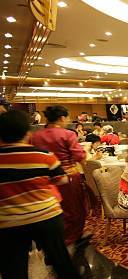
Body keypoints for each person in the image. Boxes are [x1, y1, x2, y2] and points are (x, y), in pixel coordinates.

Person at [0, 110, 80, 279]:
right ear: (27, 133)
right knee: (59, 255)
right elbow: (60, 180)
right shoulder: (42, 155)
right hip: (46, 216)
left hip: (8, 222)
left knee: (13, 273)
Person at [31, 105, 89, 247]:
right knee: (74, 209)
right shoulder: (67, 134)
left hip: (43, 179)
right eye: (67, 118)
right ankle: (72, 237)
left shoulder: (36, 135)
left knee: (52, 209)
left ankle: (55, 238)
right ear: (62, 118)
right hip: (67, 177)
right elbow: (79, 156)